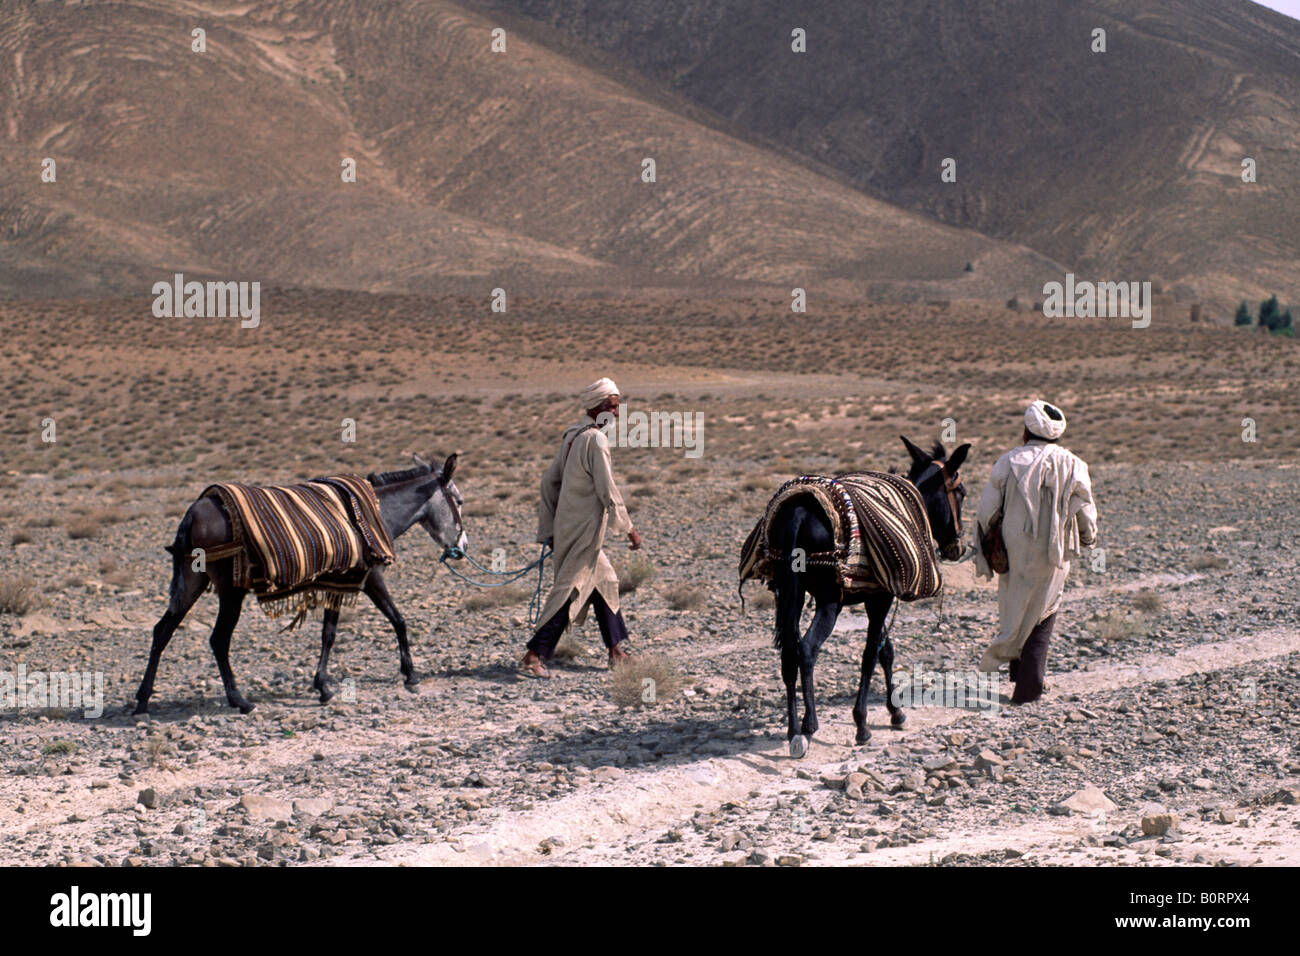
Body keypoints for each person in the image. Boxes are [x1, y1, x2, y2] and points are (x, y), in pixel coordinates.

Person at [975, 400, 1098, 704]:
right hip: (1054, 552)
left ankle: (1022, 679)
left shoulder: (1008, 461)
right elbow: (1085, 511)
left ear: (1026, 431)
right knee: (1044, 610)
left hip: (1015, 551)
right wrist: (1088, 538)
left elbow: (987, 511)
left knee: (1016, 607)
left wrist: (986, 542)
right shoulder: (1075, 465)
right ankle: (1028, 688)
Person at [519, 377, 643, 678]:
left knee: (606, 581)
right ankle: (532, 657)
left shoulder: (574, 435)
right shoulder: (595, 440)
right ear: (596, 407)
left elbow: (548, 482)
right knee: (569, 590)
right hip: (583, 532)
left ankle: (616, 652)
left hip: (570, 528)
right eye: (611, 408)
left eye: (617, 407)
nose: (616, 413)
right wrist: (629, 529)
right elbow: (608, 490)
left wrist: (549, 529)